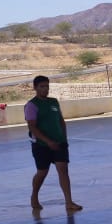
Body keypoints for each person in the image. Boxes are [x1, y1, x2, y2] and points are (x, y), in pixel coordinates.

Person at [25, 75, 82, 213]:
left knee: (63, 170)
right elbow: (32, 127)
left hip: (59, 143)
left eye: (47, 86)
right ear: (35, 88)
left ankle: (69, 202)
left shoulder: (54, 102)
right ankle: (34, 196)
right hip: (41, 145)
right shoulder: (31, 105)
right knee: (42, 172)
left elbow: (61, 121)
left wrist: (64, 139)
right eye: (42, 86)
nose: (45, 89)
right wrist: (48, 141)